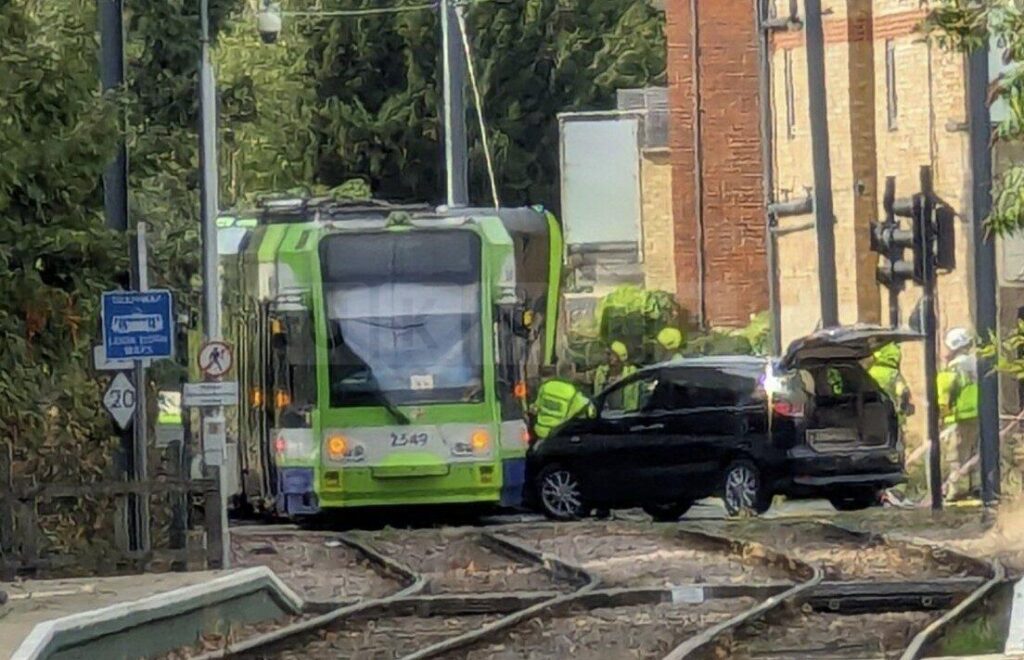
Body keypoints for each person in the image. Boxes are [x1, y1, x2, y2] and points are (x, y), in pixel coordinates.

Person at [937, 327, 980, 502]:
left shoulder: (952, 369)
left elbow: (944, 397)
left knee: (955, 456)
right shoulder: (977, 364)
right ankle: (978, 486)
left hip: (958, 418)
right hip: (979, 415)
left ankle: (956, 491)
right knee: (976, 452)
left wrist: (941, 416)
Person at [531, 363, 591, 441]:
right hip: (558, 433)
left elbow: (536, 407)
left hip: (540, 431)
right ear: (573, 374)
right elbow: (589, 411)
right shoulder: (573, 393)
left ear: (557, 372)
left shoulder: (545, 386)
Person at [868, 343, 913, 419]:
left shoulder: (879, 346)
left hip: (874, 375)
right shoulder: (896, 349)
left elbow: (872, 359)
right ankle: (899, 408)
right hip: (891, 375)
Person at [592, 340, 639, 410]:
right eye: (607, 354)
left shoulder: (630, 372)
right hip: (605, 414)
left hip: (625, 414)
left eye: (610, 354)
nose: (608, 357)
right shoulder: (601, 372)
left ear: (619, 356)